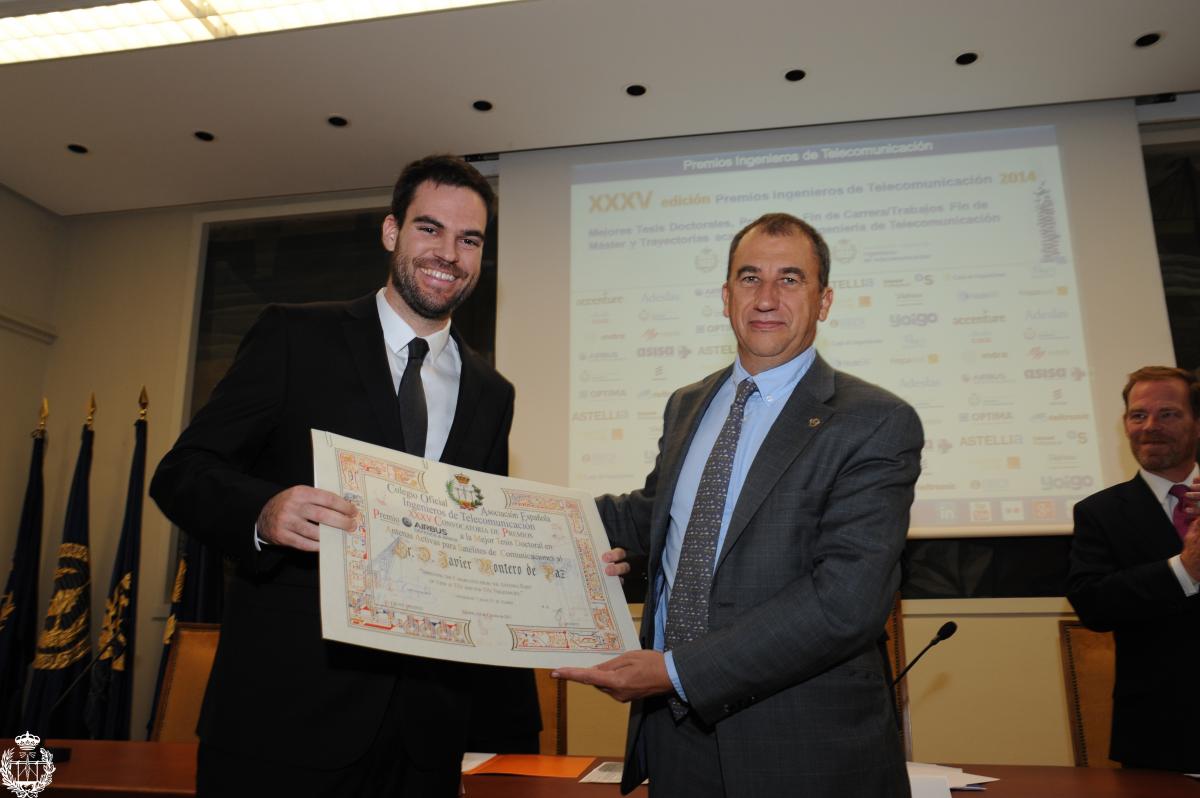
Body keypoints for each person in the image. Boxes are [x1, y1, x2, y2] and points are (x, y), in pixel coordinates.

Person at [150, 154, 538, 796]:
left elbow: (478, 535)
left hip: (426, 732)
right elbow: (182, 471)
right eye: (429, 229)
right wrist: (263, 512)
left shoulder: (493, 392)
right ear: (391, 231)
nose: (448, 254)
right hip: (285, 715)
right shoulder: (294, 336)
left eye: (469, 240)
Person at [555, 213, 924, 797]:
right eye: (750, 278)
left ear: (825, 301)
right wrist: (513, 517)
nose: (767, 298)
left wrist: (675, 671)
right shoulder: (687, 404)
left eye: (790, 279)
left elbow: (845, 602)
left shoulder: (875, 420)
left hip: (803, 752)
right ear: (726, 297)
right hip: (676, 741)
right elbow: (657, 519)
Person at [1067, 366, 1200, 772]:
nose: (1150, 426)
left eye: (1168, 414)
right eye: (1138, 415)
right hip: (1162, 735)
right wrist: (1184, 570)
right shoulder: (1100, 513)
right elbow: (1093, 604)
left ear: (1197, 423)